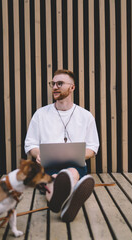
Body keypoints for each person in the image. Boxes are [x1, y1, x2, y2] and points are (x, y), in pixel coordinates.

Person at [24, 69, 100, 222]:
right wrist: (38, 153)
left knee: (70, 172)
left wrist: (75, 154)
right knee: (54, 178)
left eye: (60, 83)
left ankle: (59, 203)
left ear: (72, 88)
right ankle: (67, 204)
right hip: (47, 165)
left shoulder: (85, 116)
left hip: (75, 164)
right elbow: (30, 144)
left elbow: (93, 148)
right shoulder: (41, 114)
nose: (55, 87)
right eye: (53, 83)